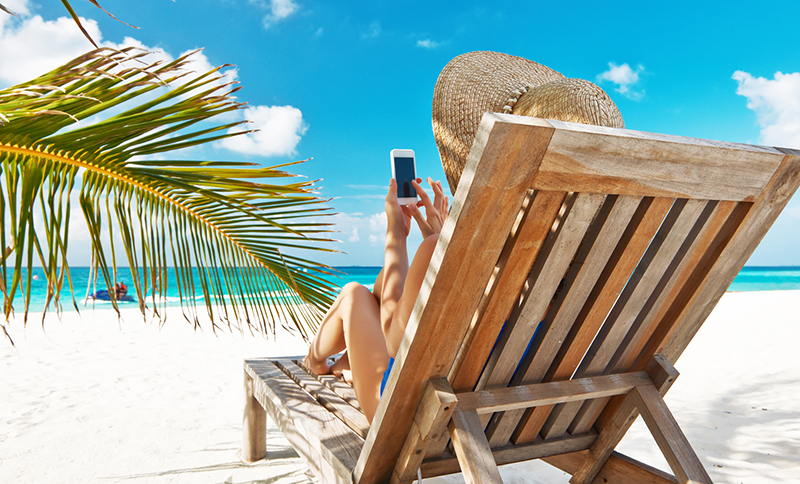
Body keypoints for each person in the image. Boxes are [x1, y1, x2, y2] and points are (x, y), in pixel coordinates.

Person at [302, 177, 448, 423]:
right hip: (489, 414)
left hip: (404, 416)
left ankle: (315, 361)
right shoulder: (512, 271)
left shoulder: (438, 248)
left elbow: (394, 342)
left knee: (353, 293)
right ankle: (346, 363)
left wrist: (397, 232)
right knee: (381, 283)